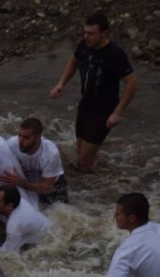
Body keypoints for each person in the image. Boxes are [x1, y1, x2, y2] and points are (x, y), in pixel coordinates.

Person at [49, 12, 138, 173]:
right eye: (85, 32)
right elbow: (73, 61)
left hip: (104, 110)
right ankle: (103, 175)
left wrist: (117, 113)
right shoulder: (84, 46)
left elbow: (131, 84)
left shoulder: (115, 54)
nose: (86, 36)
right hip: (85, 105)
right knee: (80, 152)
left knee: (83, 161)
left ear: (104, 33)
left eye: (91, 34)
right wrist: (61, 84)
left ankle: (85, 192)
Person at [4, 118, 69, 207]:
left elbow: (47, 187)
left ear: (38, 137)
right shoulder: (12, 144)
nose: (20, 141)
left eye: (26, 137)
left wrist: (21, 182)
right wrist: (20, 168)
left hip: (53, 186)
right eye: (19, 135)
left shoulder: (50, 153)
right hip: (27, 182)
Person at [0, 185, 50, 253]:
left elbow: (9, 254)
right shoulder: (19, 200)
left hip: (43, 241)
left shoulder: (14, 225)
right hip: (47, 225)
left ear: (9, 206)